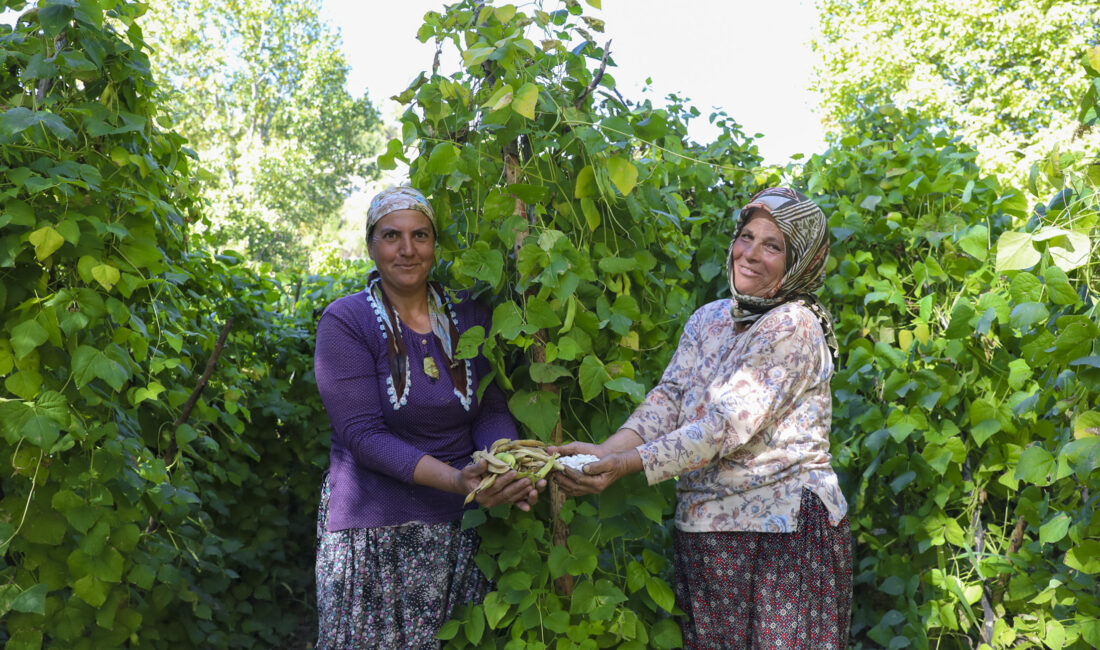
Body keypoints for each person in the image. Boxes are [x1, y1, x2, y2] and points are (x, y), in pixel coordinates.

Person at [553, 187, 852, 648]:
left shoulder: (794, 324)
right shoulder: (710, 318)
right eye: (746, 237)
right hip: (707, 534)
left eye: (773, 246)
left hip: (783, 537)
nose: (750, 254)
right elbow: (669, 399)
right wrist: (604, 453)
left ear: (801, 260)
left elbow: (726, 426)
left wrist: (626, 465)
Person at [313, 186, 543, 648]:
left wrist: (502, 464)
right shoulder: (347, 321)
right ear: (371, 245)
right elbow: (363, 435)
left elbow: (490, 407)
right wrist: (459, 481)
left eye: (420, 235)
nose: (407, 249)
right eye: (391, 236)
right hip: (376, 530)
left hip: (461, 530)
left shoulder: (470, 314)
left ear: (435, 244)